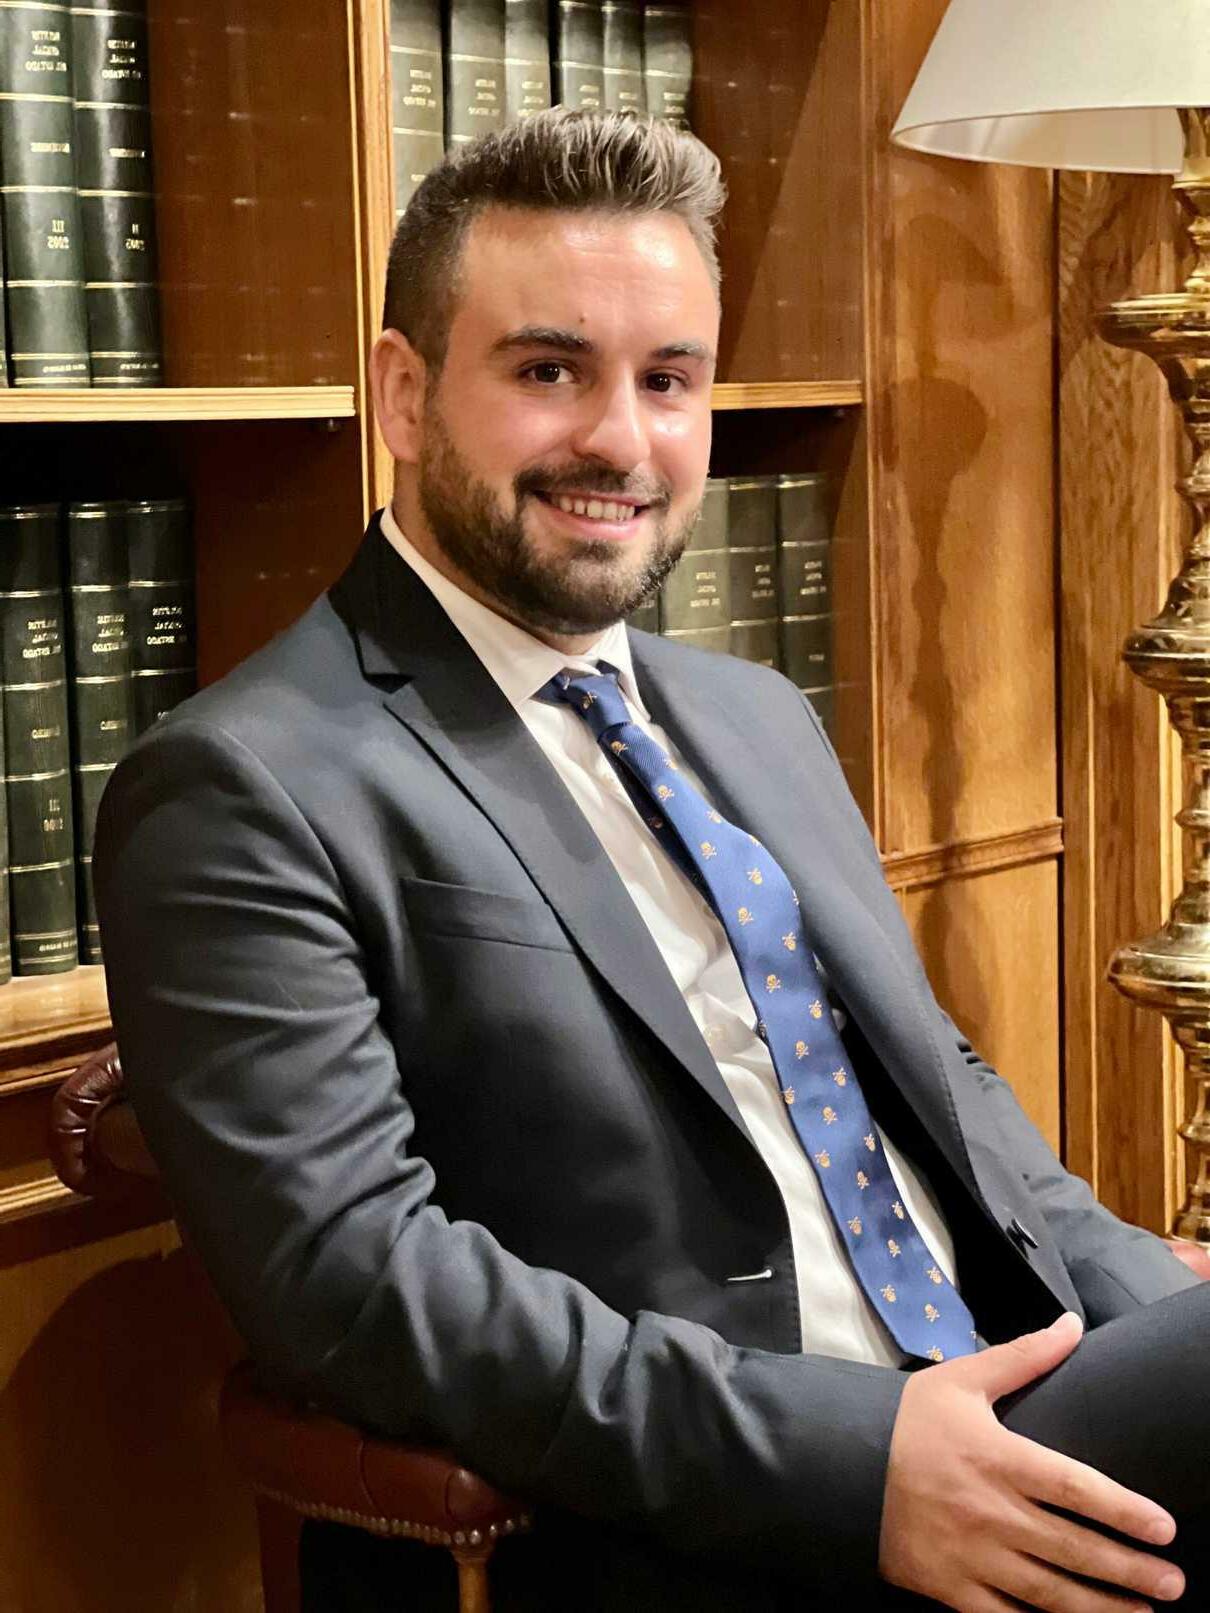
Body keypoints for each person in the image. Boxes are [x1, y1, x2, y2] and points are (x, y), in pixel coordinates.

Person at [93, 108, 1210, 1613]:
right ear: (404, 394)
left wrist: (1150, 1309)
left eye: (668, 379)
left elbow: (943, 1092)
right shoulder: (241, 784)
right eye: (548, 371)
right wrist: (853, 1463)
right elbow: (352, 1283)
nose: (620, 441)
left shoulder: (751, 713)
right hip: (724, 1515)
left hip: (1015, 1405)